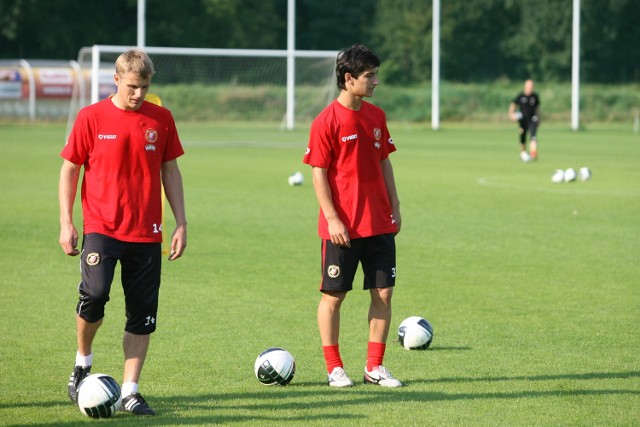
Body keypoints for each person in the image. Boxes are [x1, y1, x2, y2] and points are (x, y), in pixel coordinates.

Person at [59, 49, 187, 416]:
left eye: (144, 87)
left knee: (143, 313)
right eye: (132, 86)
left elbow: (170, 171)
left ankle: (131, 390)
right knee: (95, 294)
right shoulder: (91, 117)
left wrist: (181, 222)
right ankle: (83, 362)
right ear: (116, 79)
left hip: (147, 233)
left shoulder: (161, 118)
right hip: (101, 227)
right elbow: (70, 170)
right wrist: (67, 222)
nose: (138, 94)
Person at [303, 44, 402, 388]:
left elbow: (384, 161)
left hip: (378, 223)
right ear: (349, 79)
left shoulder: (377, 116)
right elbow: (318, 173)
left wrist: (395, 206)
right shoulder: (326, 122)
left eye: (375, 74)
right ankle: (334, 368)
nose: (376, 81)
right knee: (334, 296)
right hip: (342, 227)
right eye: (369, 75)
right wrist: (332, 218)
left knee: (384, 293)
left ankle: (375, 367)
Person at [509, 79, 541, 161]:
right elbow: (513, 104)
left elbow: (537, 108)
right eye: (529, 86)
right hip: (523, 120)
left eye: (532, 86)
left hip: (532, 119)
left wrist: (539, 118)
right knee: (522, 135)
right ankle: (523, 152)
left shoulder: (535, 96)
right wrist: (511, 114)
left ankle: (533, 154)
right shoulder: (521, 96)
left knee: (533, 136)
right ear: (525, 86)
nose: (531, 88)